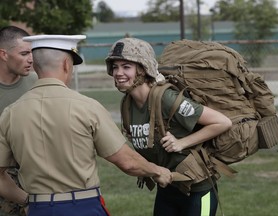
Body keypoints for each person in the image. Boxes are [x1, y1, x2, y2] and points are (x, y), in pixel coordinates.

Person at [0, 35, 172, 216]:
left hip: (38, 208)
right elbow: (127, 162)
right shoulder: (87, 107)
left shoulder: (10, 113)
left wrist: (27, 201)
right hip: (83, 206)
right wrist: (157, 170)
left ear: (35, 65)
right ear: (67, 65)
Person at [105, 37, 232, 216]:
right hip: (167, 188)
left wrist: (182, 143)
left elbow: (222, 122)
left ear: (142, 69)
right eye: (115, 67)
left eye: (126, 67)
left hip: (197, 190)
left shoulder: (166, 98)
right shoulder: (127, 104)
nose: (118, 72)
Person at [0, 25, 36, 216]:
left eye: (32, 53)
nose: (31, 59)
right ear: (3, 54)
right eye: (24, 53)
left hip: (35, 176)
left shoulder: (36, 82)